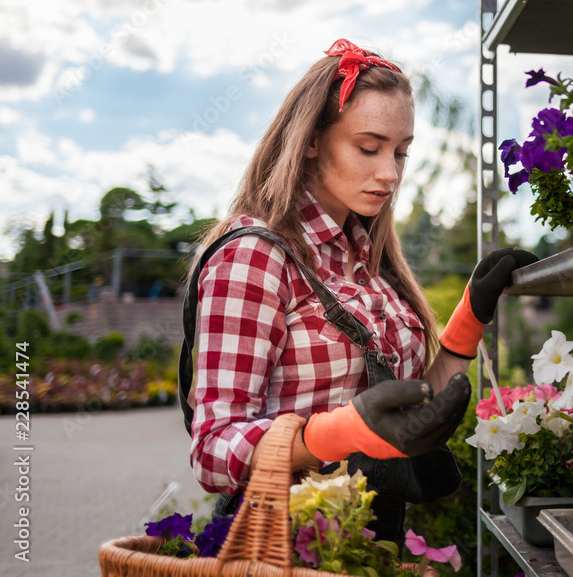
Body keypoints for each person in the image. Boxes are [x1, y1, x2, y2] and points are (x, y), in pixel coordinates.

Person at [186, 39, 536, 542]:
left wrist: (470, 317)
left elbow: (403, 418)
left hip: (367, 542)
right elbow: (214, 453)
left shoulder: (365, 260)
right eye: (368, 147)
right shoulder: (255, 256)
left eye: (400, 152)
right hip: (287, 549)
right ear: (310, 139)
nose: (389, 173)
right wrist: (344, 432)